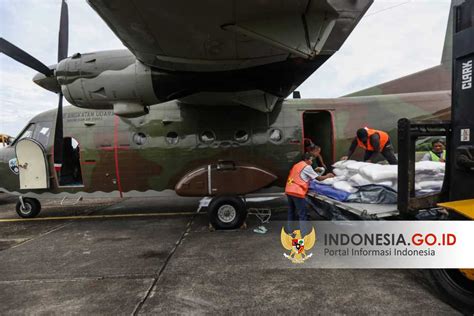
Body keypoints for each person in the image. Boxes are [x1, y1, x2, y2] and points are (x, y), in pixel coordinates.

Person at [285, 152, 318, 237]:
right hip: (297, 192)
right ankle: (303, 236)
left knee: (291, 212)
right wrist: (329, 176)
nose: (312, 161)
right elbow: (318, 178)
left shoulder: (297, 165)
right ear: (307, 160)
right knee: (302, 214)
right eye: (311, 160)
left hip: (289, 189)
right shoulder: (307, 166)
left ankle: (290, 232)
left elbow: (299, 175)